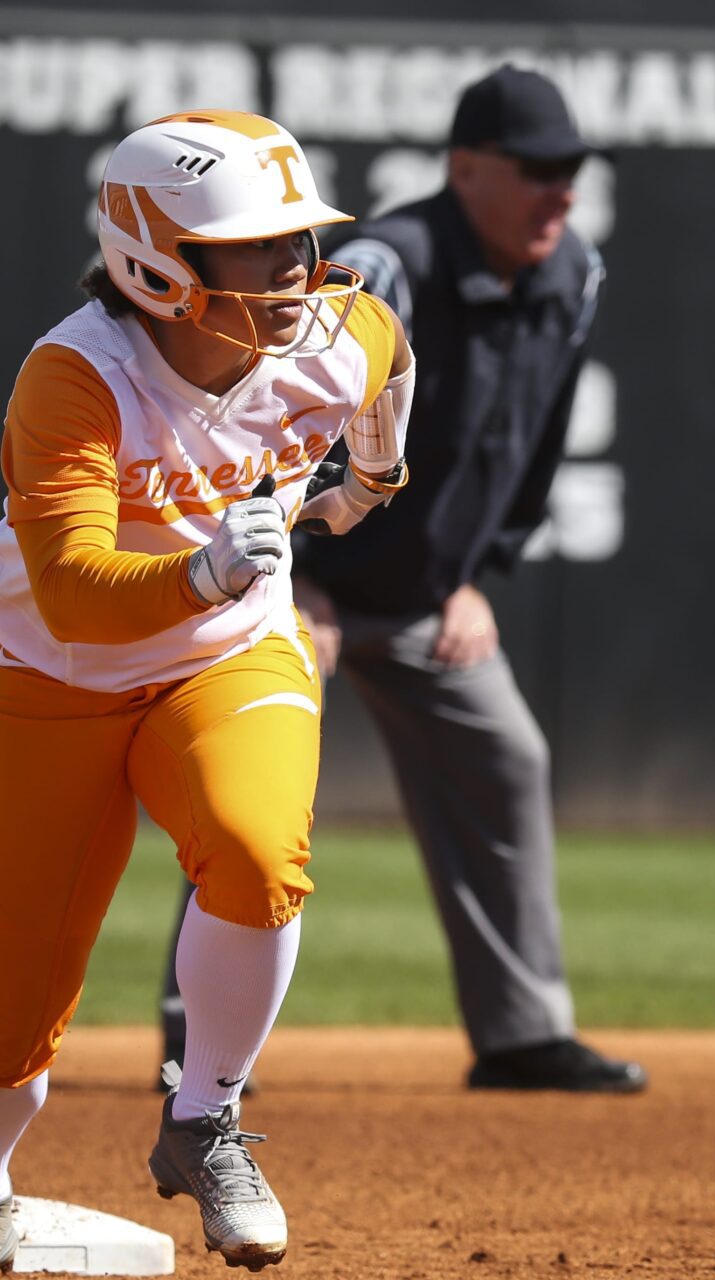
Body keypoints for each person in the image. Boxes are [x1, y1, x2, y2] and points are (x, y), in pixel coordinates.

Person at [0, 108, 413, 1280]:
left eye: (300, 237)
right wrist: (199, 569)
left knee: (252, 847)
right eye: (255, 245)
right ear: (154, 257)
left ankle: (205, 1118)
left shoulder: (340, 327)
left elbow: (386, 364)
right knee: (9, 1005)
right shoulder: (75, 376)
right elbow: (75, 597)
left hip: (225, 657)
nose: (293, 268)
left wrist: (369, 481)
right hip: (53, 680)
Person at [157, 67, 645, 1095]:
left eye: (572, 170)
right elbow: (266, 419)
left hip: (424, 597)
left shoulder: (574, 275)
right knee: (248, 792)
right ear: (464, 169)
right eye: (537, 170)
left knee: (506, 757)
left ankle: (519, 1034)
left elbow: (534, 443)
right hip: (301, 585)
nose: (561, 191)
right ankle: (190, 1039)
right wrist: (292, 572)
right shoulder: (388, 263)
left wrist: (478, 574)